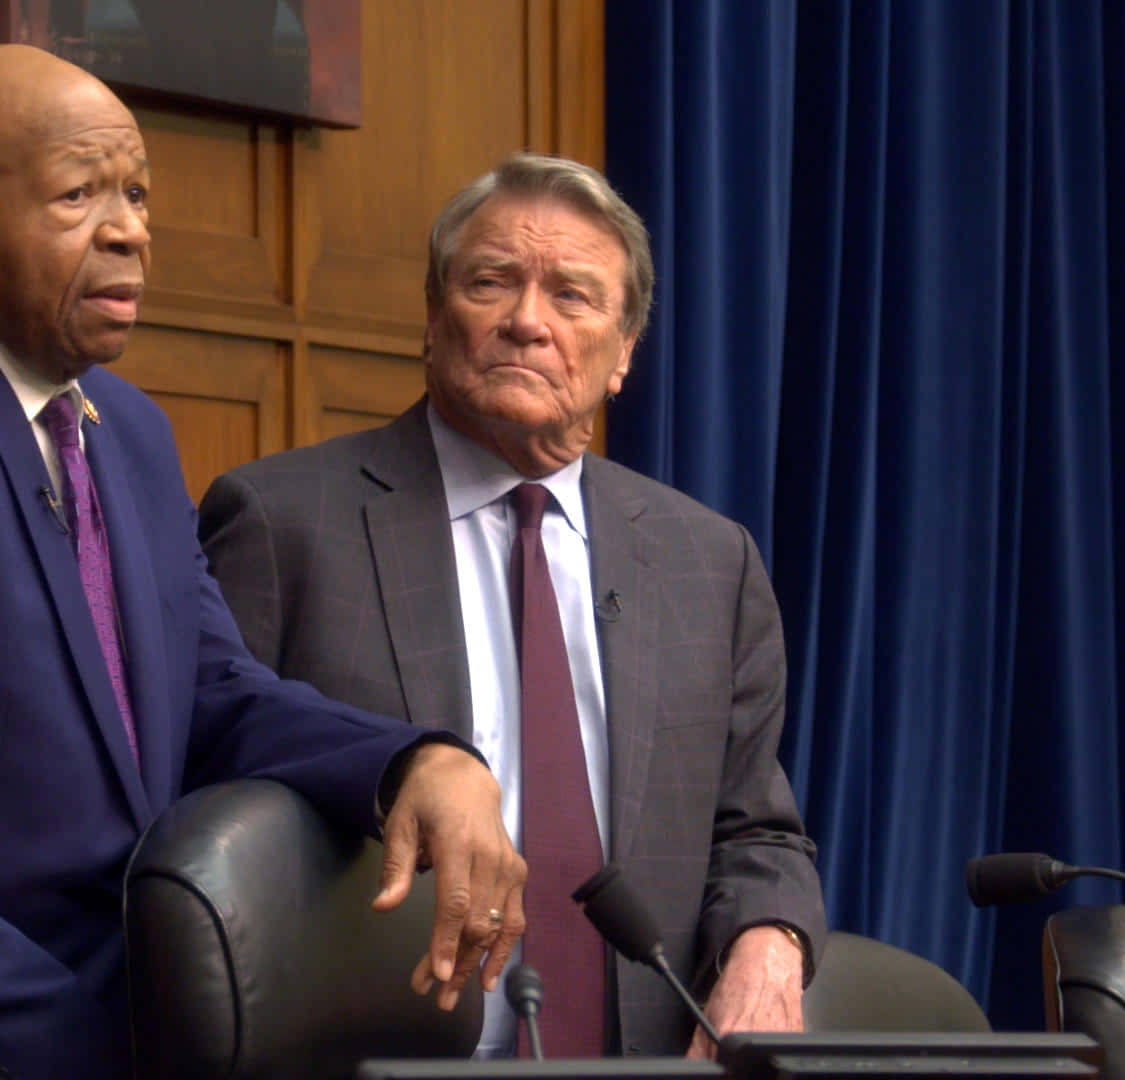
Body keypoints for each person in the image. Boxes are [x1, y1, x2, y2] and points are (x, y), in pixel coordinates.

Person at [0, 45, 524, 1079]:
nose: (131, 228)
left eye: (136, 193)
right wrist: (85, 1043)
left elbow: (209, 693)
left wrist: (416, 762)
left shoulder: (121, 430)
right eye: (80, 193)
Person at [199, 152, 825, 1059]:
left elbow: (756, 828)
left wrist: (770, 943)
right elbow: (205, 773)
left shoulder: (707, 560)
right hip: (377, 1058)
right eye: (491, 282)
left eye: (572, 297)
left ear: (623, 354)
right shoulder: (282, 523)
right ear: (431, 318)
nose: (527, 321)